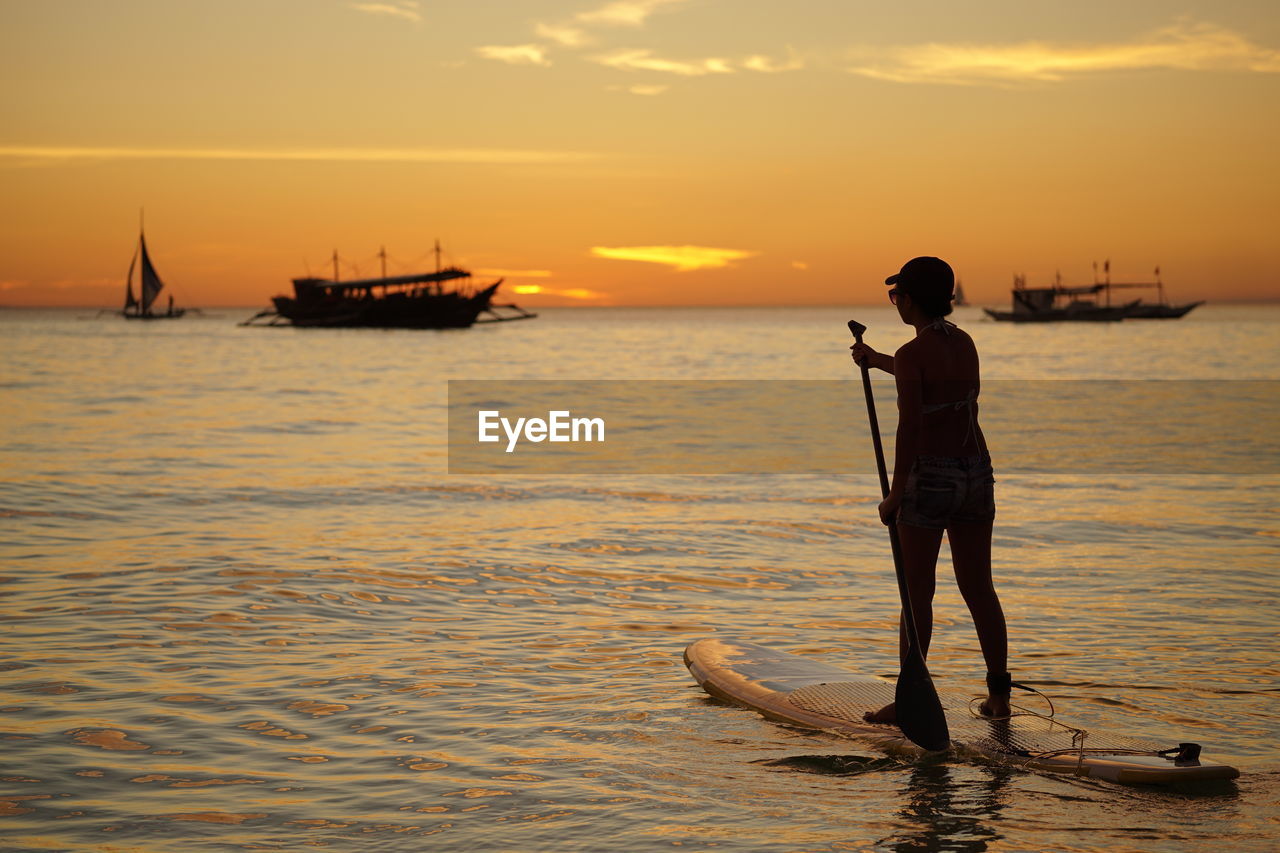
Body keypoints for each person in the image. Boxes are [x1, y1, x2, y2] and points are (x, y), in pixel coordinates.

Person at [850, 256, 1011, 720]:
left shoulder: (912, 354)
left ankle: (910, 703)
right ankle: (999, 698)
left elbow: (912, 429)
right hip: (976, 472)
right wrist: (877, 359)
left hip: (930, 478)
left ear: (913, 299)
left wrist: (895, 494)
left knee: (917, 593)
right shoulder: (964, 343)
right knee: (979, 587)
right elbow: (934, 386)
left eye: (897, 295)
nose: (896, 302)